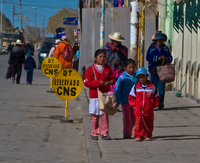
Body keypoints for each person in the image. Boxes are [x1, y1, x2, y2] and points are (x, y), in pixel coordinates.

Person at [84, 49, 115, 140]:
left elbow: (113, 79)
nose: (102, 59)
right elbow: (86, 82)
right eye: (100, 57)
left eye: (104, 57)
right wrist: (98, 83)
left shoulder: (107, 68)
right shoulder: (90, 69)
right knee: (95, 115)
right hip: (94, 96)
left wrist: (108, 83)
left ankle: (105, 132)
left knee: (104, 114)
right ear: (95, 57)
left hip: (105, 96)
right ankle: (95, 132)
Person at [128, 67, 160, 142]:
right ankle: (138, 135)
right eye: (139, 77)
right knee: (139, 123)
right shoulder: (136, 87)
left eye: (143, 76)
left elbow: (157, 96)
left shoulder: (152, 87)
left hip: (148, 110)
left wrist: (154, 104)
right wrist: (133, 105)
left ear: (146, 76)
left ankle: (148, 134)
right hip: (138, 109)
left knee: (149, 122)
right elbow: (131, 97)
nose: (141, 78)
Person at [146, 32, 173, 109]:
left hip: (163, 70)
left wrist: (166, 59)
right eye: (157, 40)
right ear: (155, 41)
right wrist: (157, 58)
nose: (159, 42)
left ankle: (161, 102)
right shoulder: (151, 48)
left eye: (160, 40)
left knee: (161, 87)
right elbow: (148, 58)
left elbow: (170, 58)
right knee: (153, 86)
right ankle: (153, 101)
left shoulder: (165, 48)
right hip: (153, 69)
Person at [114, 59, 138, 139]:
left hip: (135, 101)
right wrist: (118, 100)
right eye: (129, 67)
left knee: (134, 117)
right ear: (125, 68)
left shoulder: (137, 77)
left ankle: (131, 130)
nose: (131, 69)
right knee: (127, 117)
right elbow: (118, 89)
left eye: (133, 67)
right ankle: (127, 133)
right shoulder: (121, 78)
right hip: (125, 101)